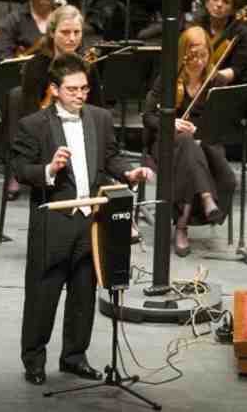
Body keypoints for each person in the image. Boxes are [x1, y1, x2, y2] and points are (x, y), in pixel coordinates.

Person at [11, 52, 153, 385]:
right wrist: (50, 168)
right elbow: (20, 169)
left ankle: (74, 357)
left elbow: (110, 158)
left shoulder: (100, 118)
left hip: (91, 221)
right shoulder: (33, 124)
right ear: (55, 89)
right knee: (43, 296)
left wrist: (129, 173)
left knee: (83, 294)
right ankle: (34, 360)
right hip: (55, 222)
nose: (79, 95)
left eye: (84, 89)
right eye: (72, 89)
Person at [143, 27, 237, 257]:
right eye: (193, 56)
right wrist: (170, 122)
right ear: (183, 54)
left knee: (193, 151)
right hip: (167, 143)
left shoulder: (216, 81)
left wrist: (200, 130)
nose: (199, 61)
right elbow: (148, 116)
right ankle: (203, 202)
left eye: (203, 55)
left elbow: (223, 123)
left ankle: (183, 223)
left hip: (204, 144)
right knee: (185, 143)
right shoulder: (168, 78)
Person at [4, 4, 104, 200]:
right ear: (52, 33)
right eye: (65, 32)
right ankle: (21, 171)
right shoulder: (36, 65)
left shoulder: (87, 65)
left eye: (77, 32)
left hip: (79, 125)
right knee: (16, 97)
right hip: (44, 126)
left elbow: (97, 107)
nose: (72, 38)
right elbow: (30, 112)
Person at [191, 0, 247, 84]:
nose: (219, 4)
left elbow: (237, 69)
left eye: (226, 1)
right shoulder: (197, 27)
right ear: (206, 3)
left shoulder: (240, 33)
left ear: (233, 10)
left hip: (227, 86)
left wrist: (217, 75)